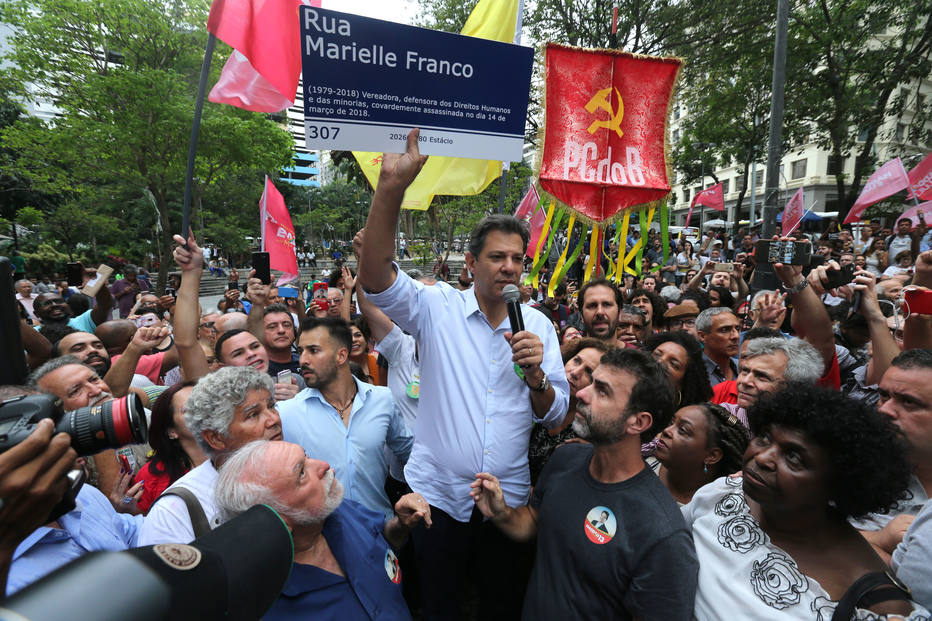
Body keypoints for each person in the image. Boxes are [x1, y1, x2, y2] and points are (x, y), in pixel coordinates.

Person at [358, 130, 569, 620]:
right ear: (471, 263)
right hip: (437, 501)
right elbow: (376, 280)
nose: (509, 268)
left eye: (517, 259)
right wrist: (390, 187)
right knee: (438, 607)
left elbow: (557, 416)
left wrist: (537, 378)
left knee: (501, 607)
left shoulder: (538, 326)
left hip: (506, 504)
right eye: (497, 257)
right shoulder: (437, 308)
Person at [470, 348, 698, 620]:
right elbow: (534, 521)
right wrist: (502, 513)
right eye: (592, 383)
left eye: (602, 391)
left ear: (638, 422)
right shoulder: (566, 458)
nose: (581, 394)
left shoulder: (663, 534)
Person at [682, 383, 929, 620]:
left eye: (794, 457)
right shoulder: (723, 494)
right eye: (765, 438)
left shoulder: (875, 603)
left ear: (837, 483)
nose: (763, 458)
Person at [214, 440, 430, 620]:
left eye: (306, 456)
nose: (324, 465)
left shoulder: (339, 511)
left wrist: (400, 525)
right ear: (277, 521)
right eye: (301, 473)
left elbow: (383, 542)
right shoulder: (269, 608)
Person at [277, 317, 413, 518]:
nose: (303, 360)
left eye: (313, 350)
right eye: (301, 351)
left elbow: (409, 451)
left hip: (382, 527)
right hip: (323, 534)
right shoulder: (286, 413)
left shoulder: (382, 400)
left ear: (341, 355)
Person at [137, 366, 283, 545]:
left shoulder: (301, 468)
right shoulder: (174, 513)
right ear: (216, 438)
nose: (274, 419)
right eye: (253, 415)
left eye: (271, 406)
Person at [528, 337, 612, 485]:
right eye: (576, 361)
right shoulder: (532, 394)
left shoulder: (593, 431)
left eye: (589, 372)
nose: (575, 372)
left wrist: (591, 452)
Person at [649, 402, 749, 504]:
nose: (666, 431)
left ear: (712, 456)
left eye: (682, 430)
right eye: (671, 423)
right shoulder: (643, 463)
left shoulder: (720, 507)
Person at [132, 382, 207, 514]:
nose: (203, 411)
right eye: (189, 409)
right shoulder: (151, 476)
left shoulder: (237, 452)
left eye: (205, 403)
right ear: (172, 431)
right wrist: (131, 512)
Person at [643, 331, 713, 408]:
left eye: (673, 364)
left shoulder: (684, 414)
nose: (660, 361)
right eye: (657, 355)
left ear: (683, 383)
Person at [696, 308, 741, 386]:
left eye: (737, 329)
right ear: (703, 336)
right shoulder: (692, 372)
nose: (736, 336)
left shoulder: (743, 368)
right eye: (724, 330)